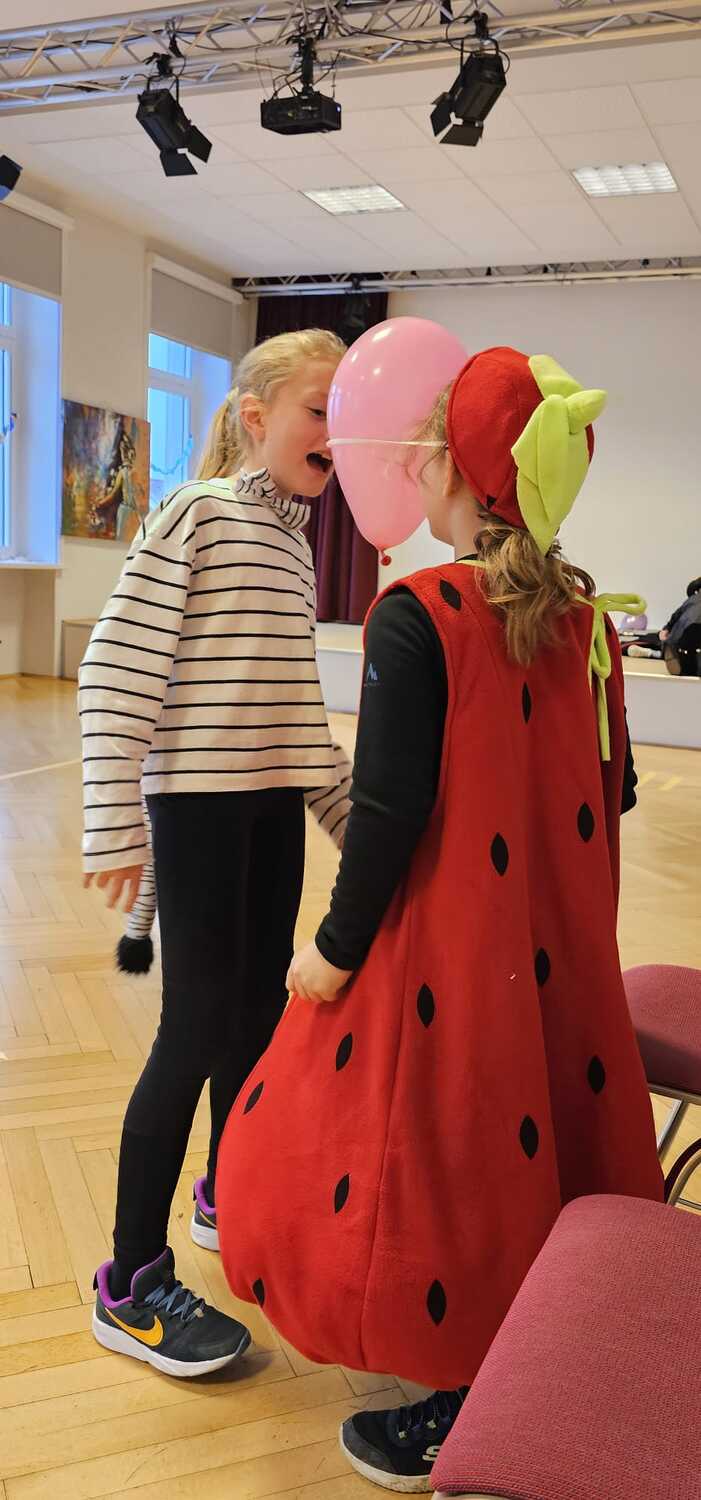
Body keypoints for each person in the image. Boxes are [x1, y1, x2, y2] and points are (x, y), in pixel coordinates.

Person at [215, 347, 664, 1488]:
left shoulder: (418, 616)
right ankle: (551, 1345)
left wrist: (331, 952)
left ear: (452, 471)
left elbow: (388, 816)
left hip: (447, 959)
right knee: (535, 1148)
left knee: (427, 1154)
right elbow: (611, 792)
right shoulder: (588, 625)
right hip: (559, 960)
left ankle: (470, 1388)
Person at [79, 328, 353, 1377]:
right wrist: (114, 821)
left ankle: (228, 1191)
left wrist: (361, 826)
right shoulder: (199, 513)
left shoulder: (293, 544)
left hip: (267, 808)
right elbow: (113, 670)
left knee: (254, 1019)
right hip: (195, 808)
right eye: (319, 409)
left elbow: (294, 716)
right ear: (254, 416)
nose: (336, 432)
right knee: (192, 1029)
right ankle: (130, 1284)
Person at [659, 574, 701, 675]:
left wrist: (666, 629)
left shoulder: (692, 599)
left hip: (685, 635)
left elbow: (675, 617)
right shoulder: (694, 600)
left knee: (682, 649)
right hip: (690, 632)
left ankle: (670, 653)